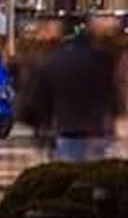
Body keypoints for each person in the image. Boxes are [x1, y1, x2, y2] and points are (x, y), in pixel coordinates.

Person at [38, 26, 120, 161]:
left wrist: (44, 121)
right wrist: (113, 113)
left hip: (66, 124)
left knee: (69, 165)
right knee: (93, 168)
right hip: (94, 125)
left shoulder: (56, 61)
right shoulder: (101, 61)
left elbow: (43, 94)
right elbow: (110, 89)